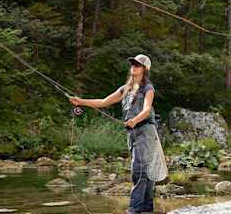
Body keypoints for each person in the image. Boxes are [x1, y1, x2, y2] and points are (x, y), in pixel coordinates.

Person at [68, 54, 165, 214]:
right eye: (132, 64)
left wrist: (135, 119)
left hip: (146, 131)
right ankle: (147, 208)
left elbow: (147, 109)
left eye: (137, 65)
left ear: (145, 69)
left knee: (139, 169)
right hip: (132, 133)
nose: (133, 66)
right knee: (144, 169)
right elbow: (104, 102)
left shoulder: (148, 88)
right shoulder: (125, 89)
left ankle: (134, 209)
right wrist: (81, 101)